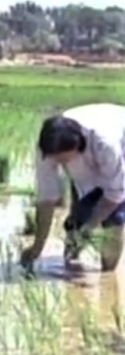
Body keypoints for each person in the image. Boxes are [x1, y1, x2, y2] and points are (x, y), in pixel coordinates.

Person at [21, 103, 125, 272]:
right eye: (57, 160)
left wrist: (90, 227)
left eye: (64, 159)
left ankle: (108, 274)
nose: (60, 164)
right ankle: (71, 262)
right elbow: (47, 199)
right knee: (78, 216)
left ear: (77, 147)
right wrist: (37, 248)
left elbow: (115, 194)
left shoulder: (106, 144)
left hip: (121, 143)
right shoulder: (46, 149)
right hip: (89, 151)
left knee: (114, 219)